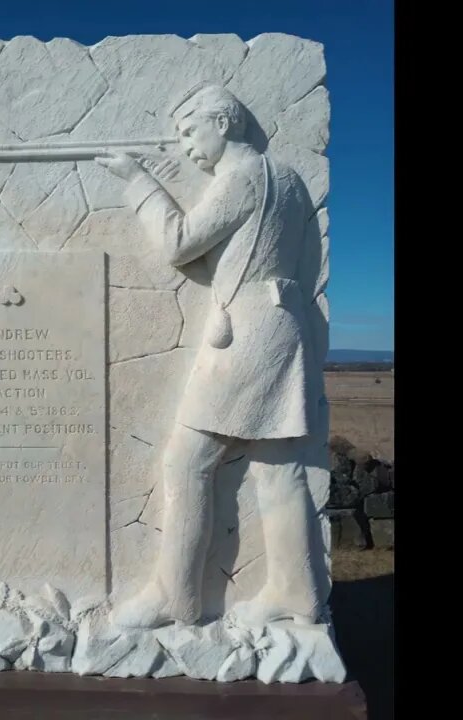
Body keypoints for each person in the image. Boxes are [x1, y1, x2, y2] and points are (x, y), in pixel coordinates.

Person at [94, 82, 324, 628]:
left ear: (223, 123)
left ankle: (176, 595)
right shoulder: (286, 177)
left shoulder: (240, 178)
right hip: (280, 324)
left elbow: (179, 244)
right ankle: (298, 590)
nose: (186, 146)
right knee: (277, 467)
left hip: (246, 333)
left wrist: (138, 180)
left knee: (187, 460)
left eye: (190, 130)